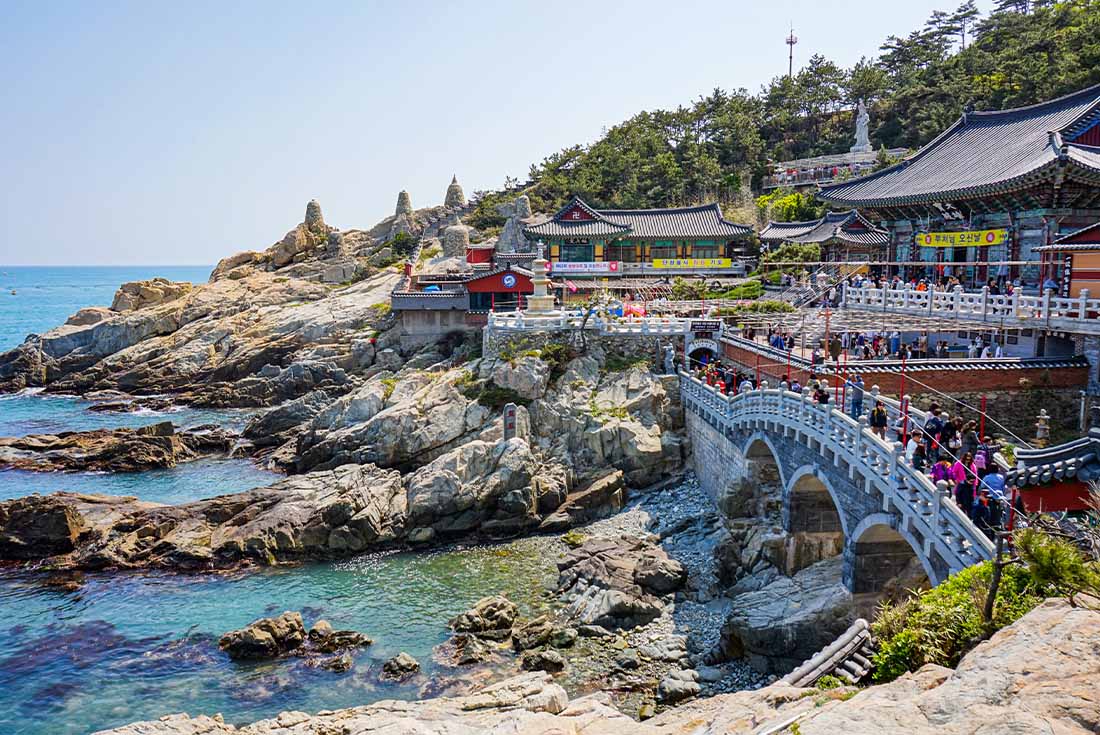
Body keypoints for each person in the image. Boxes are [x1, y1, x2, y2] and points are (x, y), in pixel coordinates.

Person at [952, 451, 978, 519]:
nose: (967, 461)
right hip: (961, 482)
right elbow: (954, 472)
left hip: (970, 484)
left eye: (969, 459)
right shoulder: (959, 463)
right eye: (966, 459)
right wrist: (956, 479)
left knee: (969, 502)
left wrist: (974, 483)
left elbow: (975, 474)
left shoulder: (972, 465)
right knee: (961, 497)